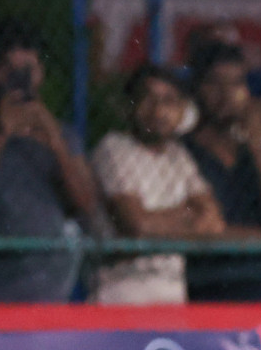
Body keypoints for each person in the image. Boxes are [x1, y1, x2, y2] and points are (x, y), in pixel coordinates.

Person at [0, 18, 99, 301]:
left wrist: (55, 142)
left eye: (27, 70)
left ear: (41, 73)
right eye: (7, 70)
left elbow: (85, 203)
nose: (18, 80)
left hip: (48, 285)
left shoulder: (61, 134)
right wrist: (0, 137)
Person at [90, 66, 225, 304]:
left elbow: (213, 223)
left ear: (181, 110)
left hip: (172, 295)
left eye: (169, 101)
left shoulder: (178, 155)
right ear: (130, 104)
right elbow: (137, 224)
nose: (158, 110)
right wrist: (186, 215)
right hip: (120, 294)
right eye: (147, 99)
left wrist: (154, 227)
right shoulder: (114, 147)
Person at [184, 42, 261, 300]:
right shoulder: (183, 152)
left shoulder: (260, 155)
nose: (226, 94)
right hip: (205, 283)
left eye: (236, 83)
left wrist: (259, 149)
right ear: (196, 89)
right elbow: (197, 229)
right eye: (214, 83)